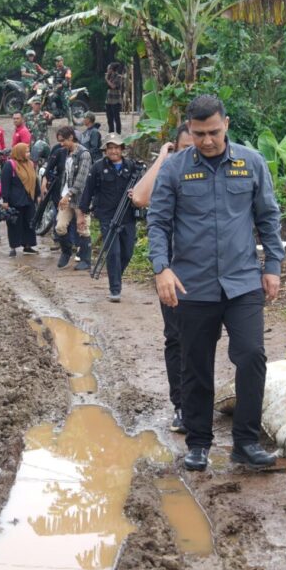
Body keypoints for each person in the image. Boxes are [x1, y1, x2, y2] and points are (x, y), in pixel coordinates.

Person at [147, 95, 284, 472]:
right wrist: (162, 268)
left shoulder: (250, 163)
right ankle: (198, 443)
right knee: (195, 364)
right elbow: (158, 222)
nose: (207, 141)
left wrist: (272, 265)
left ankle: (245, 443)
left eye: (213, 132)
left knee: (252, 356)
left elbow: (268, 217)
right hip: (192, 285)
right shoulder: (174, 169)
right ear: (188, 129)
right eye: (199, 133)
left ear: (226, 123)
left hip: (243, 283)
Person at [132, 123, 195, 433]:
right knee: (177, 338)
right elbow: (140, 198)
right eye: (183, 149)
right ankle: (182, 405)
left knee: (204, 339)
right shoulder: (168, 172)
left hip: (209, 270)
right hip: (172, 270)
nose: (191, 154)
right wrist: (163, 157)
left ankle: (203, 399)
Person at [80, 133, 138, 302]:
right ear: (105, 150)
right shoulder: (97, 167)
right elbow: (88, 191)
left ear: (122, 149)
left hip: (128, 216)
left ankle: (115, 276)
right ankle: (115, 289)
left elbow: (144, 187)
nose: (113, 151)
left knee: (127, 252)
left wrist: (137, 193)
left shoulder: (132, 167)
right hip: (107, 216)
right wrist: (81, 214)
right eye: (110, 148)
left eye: (116, 147)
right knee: (113, 253)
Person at [53, 125, 91, 271]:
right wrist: (63, 196)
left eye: (63, 141)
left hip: (80, 198)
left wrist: (68, 195)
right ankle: (66, 251)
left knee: (83, 228)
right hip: (66, 197)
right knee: (60, 227)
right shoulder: (65, 153)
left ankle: (85, 259)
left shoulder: (84, 154)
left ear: (71, 138)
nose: (61, 144)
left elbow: (81, 180)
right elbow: (65, 176)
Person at [0, 142, 40, 257]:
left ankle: (28, 246)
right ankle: (13, 247)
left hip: (29, 199)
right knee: (14, 224)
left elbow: (35, 181)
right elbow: (5, 183)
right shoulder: (10, 165)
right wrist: (5, 200)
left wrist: (38, 195)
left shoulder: (30, 164)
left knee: (29, 223)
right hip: (15, 200)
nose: (28, 153)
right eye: (26, 151)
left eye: (28, 151)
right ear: (20, 153)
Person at [27, 97, 53, 162]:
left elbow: (51, 120)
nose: (37, 106)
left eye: (39, 104)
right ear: (32, 104)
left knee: (45, 163)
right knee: (33, 162)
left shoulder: (45, 115)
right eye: (36, 104)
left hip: (43, 143)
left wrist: (50, 116)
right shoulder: (27, 116)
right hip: (32, 143)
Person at [105, 62, 125, 135]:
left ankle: (118, 133)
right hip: (108, 100)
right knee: (109, 118)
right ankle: (111, 132)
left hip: (116, 100)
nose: (107, 70)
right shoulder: (109, 76)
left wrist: (107, 80)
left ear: (112, 69)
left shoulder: (118, 77)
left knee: (116, 117)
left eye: (108, 68)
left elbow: (113, 86)